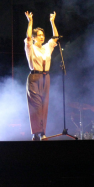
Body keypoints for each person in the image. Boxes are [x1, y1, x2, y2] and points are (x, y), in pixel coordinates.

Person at [24, 11, 59, 141]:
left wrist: (52, 21)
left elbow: (55, 37)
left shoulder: (47, 47)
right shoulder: (30, 47)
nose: (41, 37)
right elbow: (27, 37)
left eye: (42, 35)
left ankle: (42, 132)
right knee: (36, 105)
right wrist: (30, 22)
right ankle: (35, 133)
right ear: (34, 37)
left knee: (44, 105)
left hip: (46, 78)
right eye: (38, 35)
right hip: (34, 78)